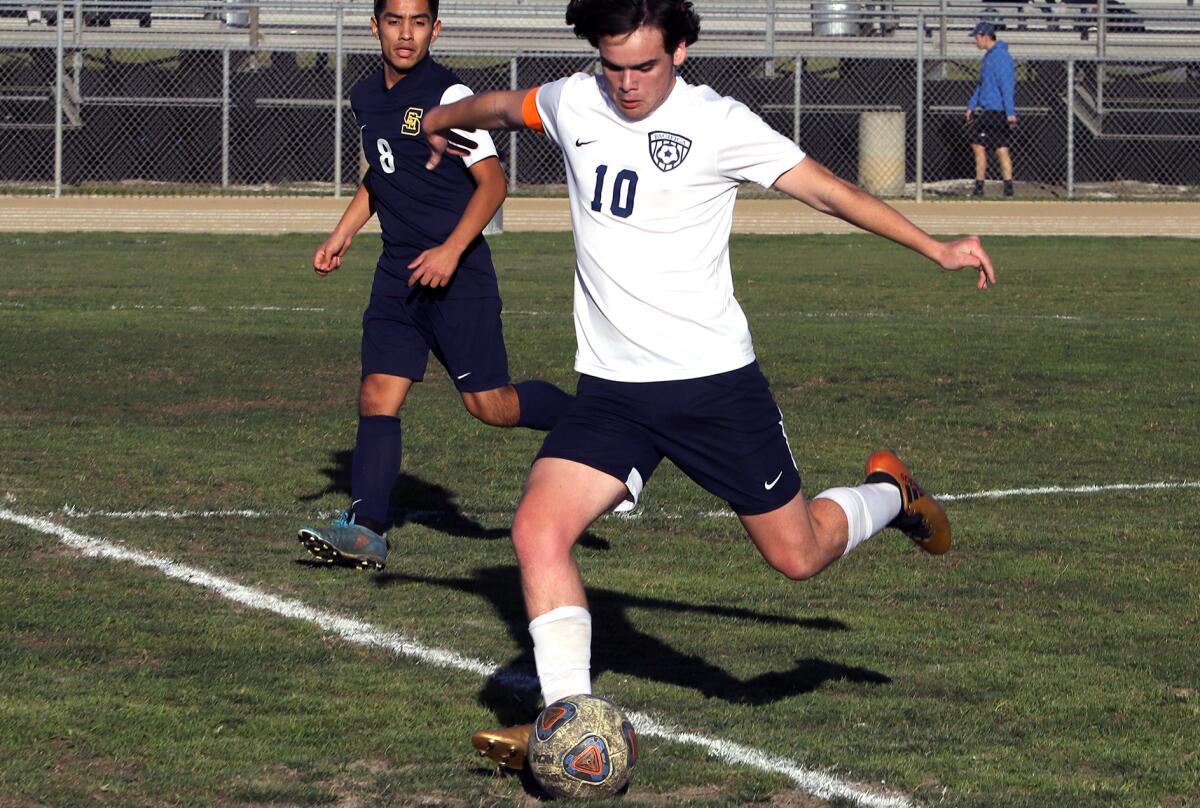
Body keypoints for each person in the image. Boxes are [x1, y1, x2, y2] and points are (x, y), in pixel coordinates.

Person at [421, 0, 997, 768]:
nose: (626, 85)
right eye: (613, 66)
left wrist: (935, 247)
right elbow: (503, 105)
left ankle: (891, 492)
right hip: (613, 391)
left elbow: (826, 189)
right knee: (537, 529)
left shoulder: (720, 123)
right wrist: (442, 117)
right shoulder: (572, 100)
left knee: (797, 556)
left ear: (682, 50)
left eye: (645, 67)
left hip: (712, 389)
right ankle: (567, 720)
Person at [296, 0, 574, 571]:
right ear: (374, 26)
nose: (406, 33)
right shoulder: (365, 97)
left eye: (418, 22)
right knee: (378, 394)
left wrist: (450, 251)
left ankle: (597, 424)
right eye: (394, 21)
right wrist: (343, 232)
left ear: (435, 29)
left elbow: (493, 186)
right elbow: (381, 170)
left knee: (490, 406)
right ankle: (367, 529)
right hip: (397, 273)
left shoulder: (450, 98)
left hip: (458, 277)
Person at [965, 21, 1017, 197]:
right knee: (998, 147)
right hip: (988, 110)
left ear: (985, 36)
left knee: (983, 146)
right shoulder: (988, 57)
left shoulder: (1001, 57)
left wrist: (1010, 113)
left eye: (977, 37)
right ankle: (1006, 187)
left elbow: (1006, 86)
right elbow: (982, 85)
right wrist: (972, 105)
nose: (975, 41)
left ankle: (982, 187)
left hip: (996, 111)